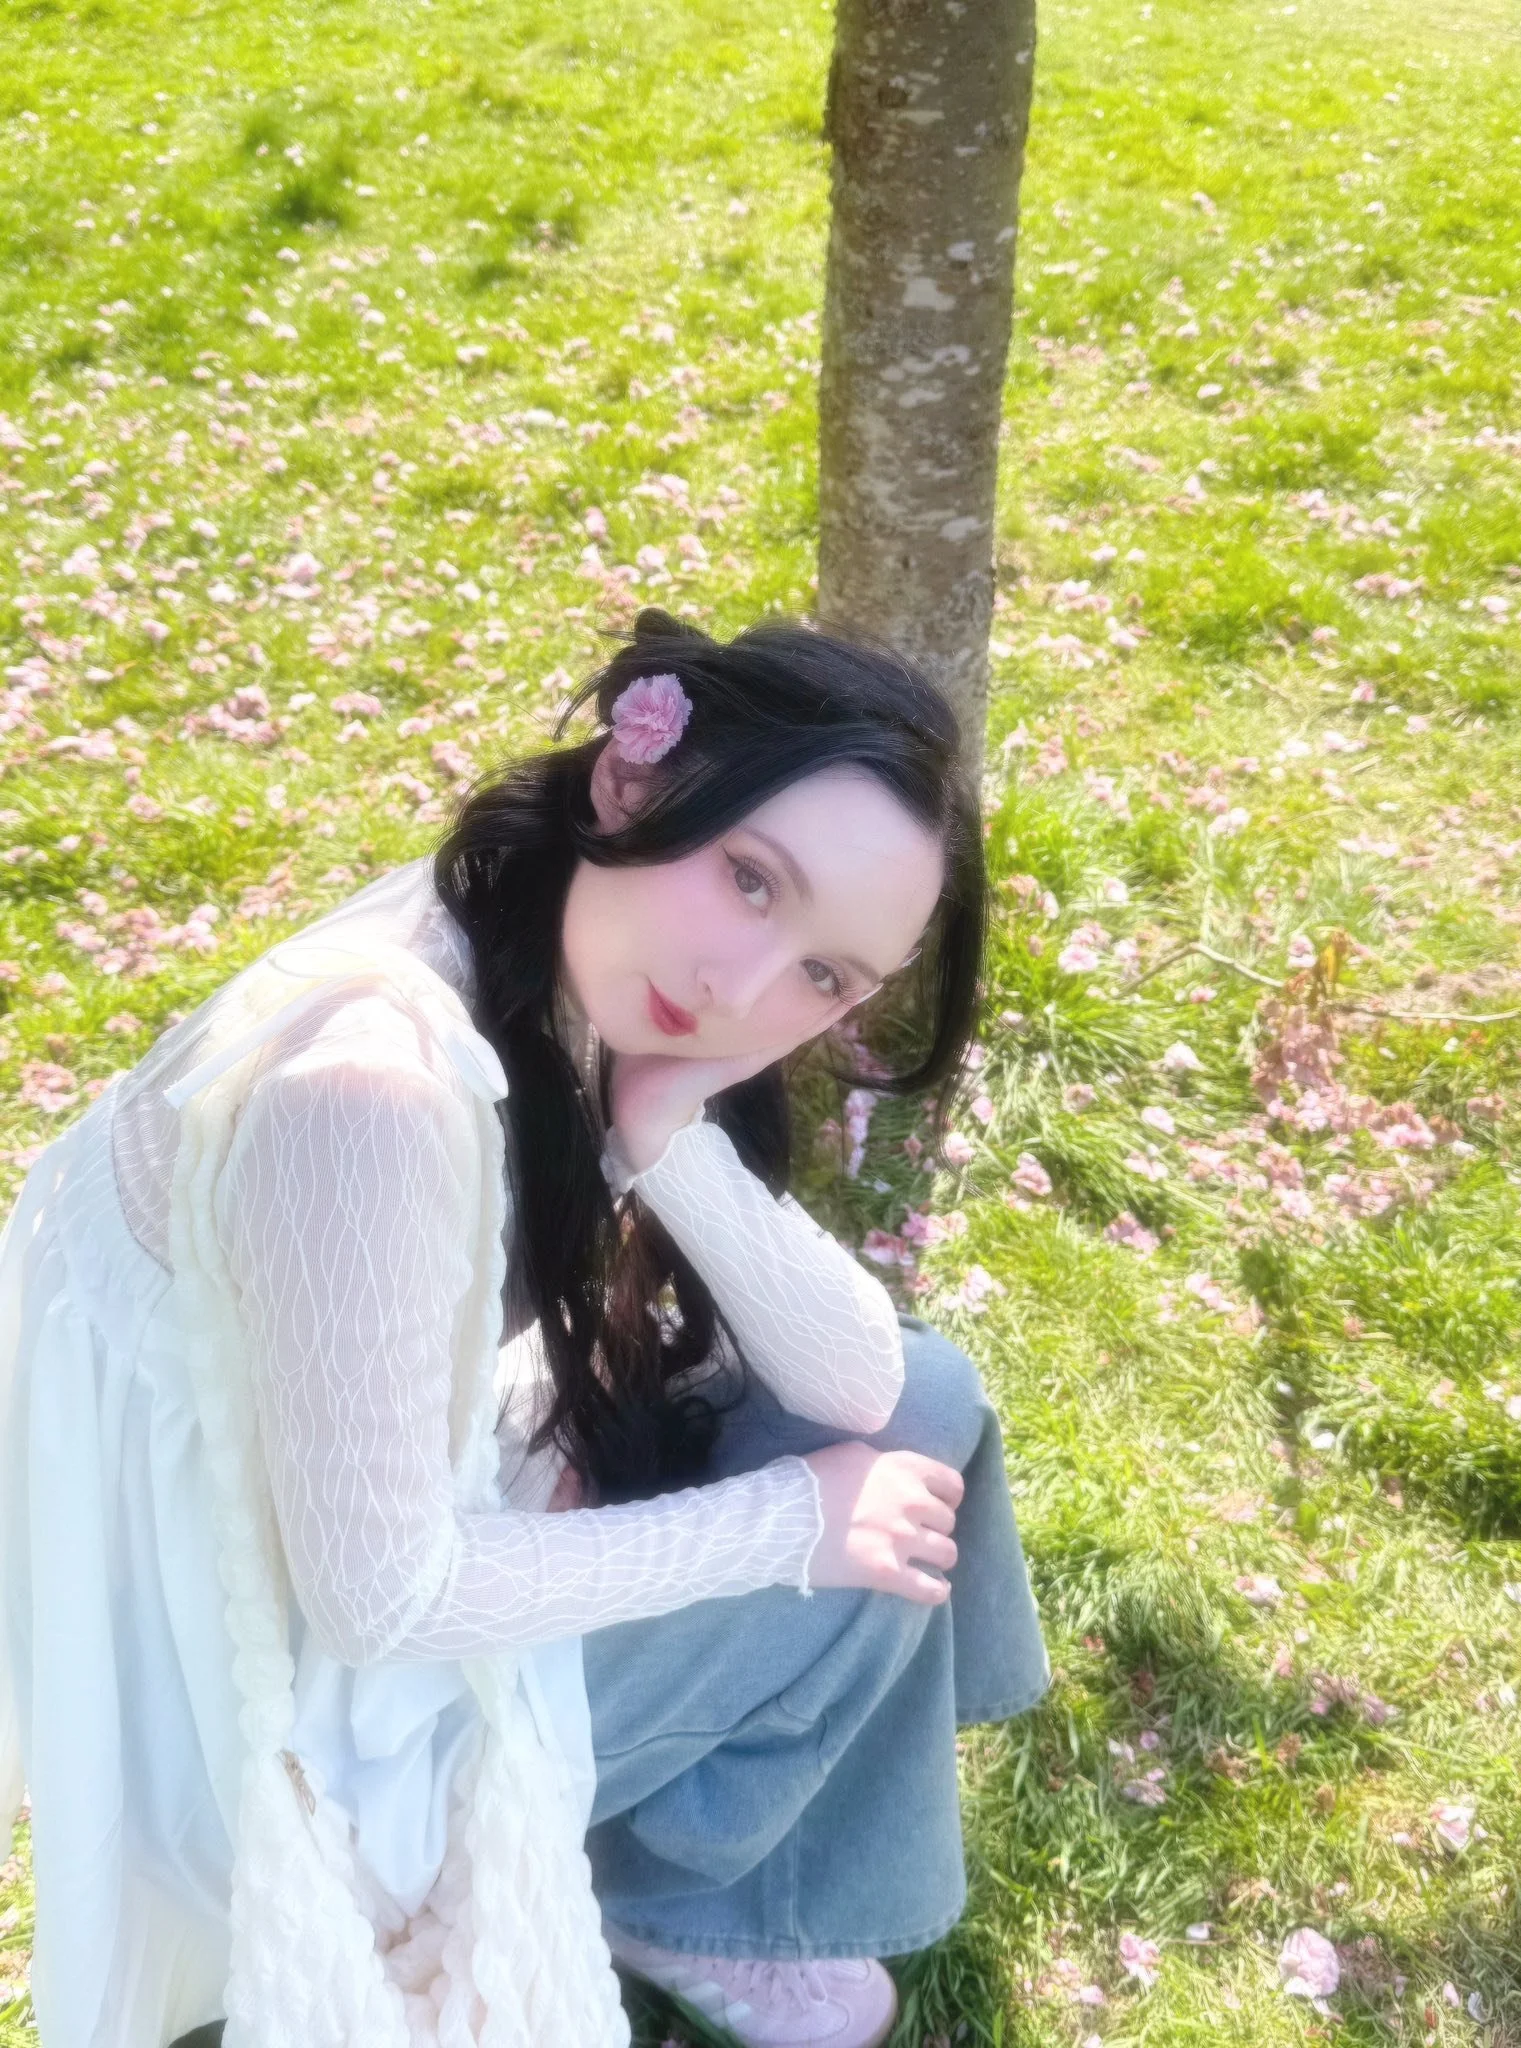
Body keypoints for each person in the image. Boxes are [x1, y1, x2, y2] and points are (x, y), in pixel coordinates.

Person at [0, 612, 1048, 2048]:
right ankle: (713, 1897)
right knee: (877, 1496)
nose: (749, 995)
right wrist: (785, 1531)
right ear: (635, 779)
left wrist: (670, 1132)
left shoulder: (536, 928)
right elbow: (381, 1602)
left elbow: (859, 1378)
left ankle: (752, 1855)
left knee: (913, 1398)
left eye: (827, 977)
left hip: (310, 1566)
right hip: (259, 1735)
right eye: (751, 880)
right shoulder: (367, 1090)